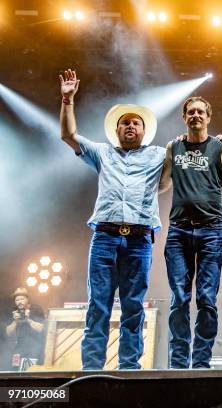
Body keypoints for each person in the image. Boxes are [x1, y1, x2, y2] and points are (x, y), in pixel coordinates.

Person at [59, 69, 167, 370]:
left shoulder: (159, 155)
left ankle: (129, 370)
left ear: (144, 131)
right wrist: (67, 100)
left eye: (135, 123)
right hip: (105, 237)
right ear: (116, 130)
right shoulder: (102, 153)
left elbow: (188, 153)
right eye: (125, 123)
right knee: (98, 305)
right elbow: (68, 135)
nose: (130, 126)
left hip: (140, 239)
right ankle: (91, 370)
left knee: (134, 307)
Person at [159, 96, 222, 369]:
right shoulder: (173, 147)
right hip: (179, 231)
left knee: (206, 299)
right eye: (190, 112)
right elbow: (162, 185)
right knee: (179, 297)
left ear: (208, 117)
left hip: (212, 231)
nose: (195, 116)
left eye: (201, 112)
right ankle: (179, 362)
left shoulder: (220, 147)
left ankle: (201, 361)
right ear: (184, 117)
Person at [4, 288, 45, 370]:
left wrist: (28, 319)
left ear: (27, 299)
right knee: (17, 371)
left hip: (35, 349)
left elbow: (41, 329)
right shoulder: (13, 312)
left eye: (22, 299)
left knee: (32, 373)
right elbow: (7, 332)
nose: (19, 301)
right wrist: (15, 321)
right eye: (17, 300)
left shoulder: (36, 309)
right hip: (18, 349)